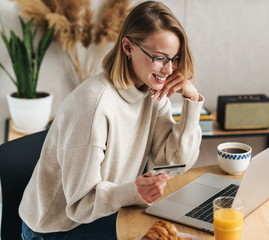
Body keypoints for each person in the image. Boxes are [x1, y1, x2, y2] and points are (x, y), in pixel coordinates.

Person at [19, 1, 204, 239]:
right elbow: (79, 205)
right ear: (128, 47)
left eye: (174, 58)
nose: (169, 70)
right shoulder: (93, 104)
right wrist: (132, 192)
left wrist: (192, 99)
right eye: (160, 58)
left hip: (105, 212)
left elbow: (176, 162)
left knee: (178, 230)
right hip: (57, 228)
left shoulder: (153, 93)